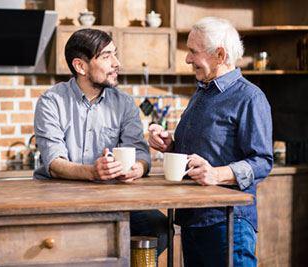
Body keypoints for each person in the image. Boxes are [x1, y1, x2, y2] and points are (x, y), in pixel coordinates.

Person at [149, 17, 273, 266]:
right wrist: (171, 146)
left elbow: (262, 162)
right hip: (193, 217)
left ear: (219, 54)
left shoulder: (250, 97)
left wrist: (216, 174)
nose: (187, 59)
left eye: (193, 51)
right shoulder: (203, 92)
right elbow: (202, 151)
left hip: (228, 221)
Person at [34, 28, 169, 254]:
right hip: (61, 202)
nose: (116, 63)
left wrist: (137, 168)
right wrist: (92, 172)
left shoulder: (124, 103)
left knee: (159, 228)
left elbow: (140, 153)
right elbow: (54, 163)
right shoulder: (52, 102)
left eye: (115, 54)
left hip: (113, 201)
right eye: (106, 56)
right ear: (81, 66)